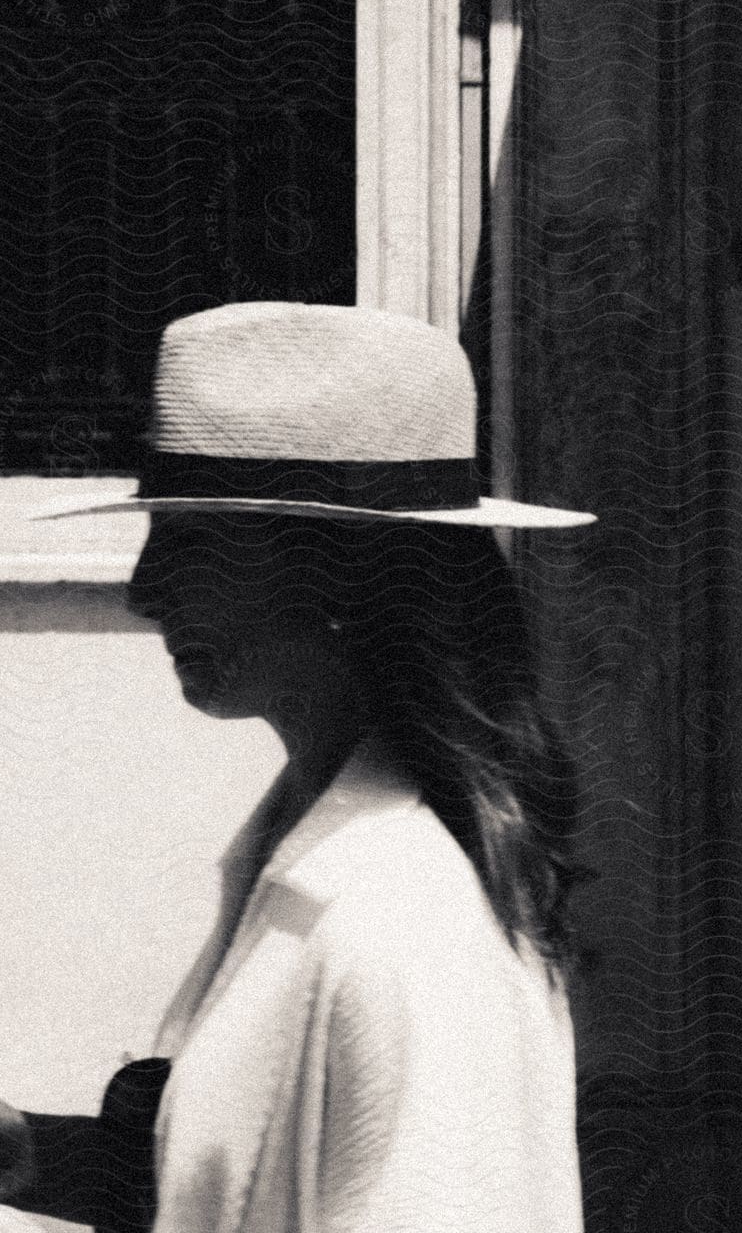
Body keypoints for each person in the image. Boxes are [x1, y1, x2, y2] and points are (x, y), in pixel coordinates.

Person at [0, 300, 595, 1232]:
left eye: (188, 544)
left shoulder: (404, 920)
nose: (145, 593)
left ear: (335, 577)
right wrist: (34, 1156)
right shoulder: (314, 859)